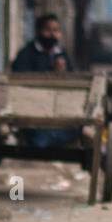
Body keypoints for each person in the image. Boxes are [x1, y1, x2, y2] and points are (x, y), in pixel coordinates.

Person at [11, 13, 76, 149]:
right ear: (38, 31)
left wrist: (62, 73)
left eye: (56, 31)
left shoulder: (62, 55)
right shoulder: (26, 54)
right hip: (32, 109)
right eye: (48, 30)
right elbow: (20, 77)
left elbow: (73, 80)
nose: (52, 35)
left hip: (59, 110)